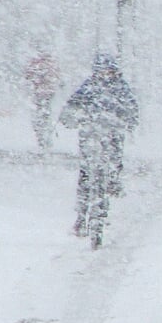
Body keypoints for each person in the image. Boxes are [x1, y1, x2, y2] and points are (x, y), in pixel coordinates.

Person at [59, 52, 139, 236]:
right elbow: (72, 105)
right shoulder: (88, 87)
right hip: (91, 135)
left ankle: (113, 182)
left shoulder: (120, 88)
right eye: (102, 71)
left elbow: (131, 107)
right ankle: (81, 214)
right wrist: (70, 118)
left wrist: (128, 120)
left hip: (111, 134)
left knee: (114, 160)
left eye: (109, 71)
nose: (105, 74)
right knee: (86, 173)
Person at [24, 50, 63, 151]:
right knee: (45, 115)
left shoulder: (36, 63)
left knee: (42, 116)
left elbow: (28, 76)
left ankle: (43, 137)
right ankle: (45, 137)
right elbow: (57, 76)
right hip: (47, 93)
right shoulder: (50, 63)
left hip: (41, 94)